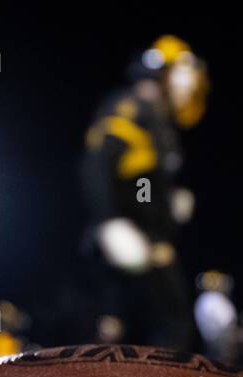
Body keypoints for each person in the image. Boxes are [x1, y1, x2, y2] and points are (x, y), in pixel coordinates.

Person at [82, 35, 208, 350]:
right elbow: (95, 163)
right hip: (124, 241)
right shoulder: (131, 107)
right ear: (160, 72)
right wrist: (109, 222)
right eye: (182, 73)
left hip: (152, 243)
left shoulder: (160, 125)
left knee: (169, 331)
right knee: (112, 334)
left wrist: (168, 203)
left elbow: (146, 177)